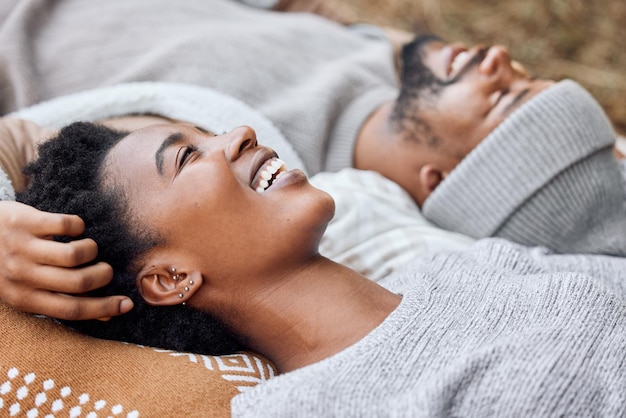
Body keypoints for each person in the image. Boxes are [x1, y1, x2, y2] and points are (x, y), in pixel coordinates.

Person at [1, 0, 625, 319]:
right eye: (524, 73)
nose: (495, 59)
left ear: (445, 178)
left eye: (505, 98)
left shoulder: (222, 157)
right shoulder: (386, 61)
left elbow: (21, 147)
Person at [15, 120, 626, 417]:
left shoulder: (461, 266)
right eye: (186, 156)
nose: (239, 133)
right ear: (170, 277)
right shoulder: (302, 410)